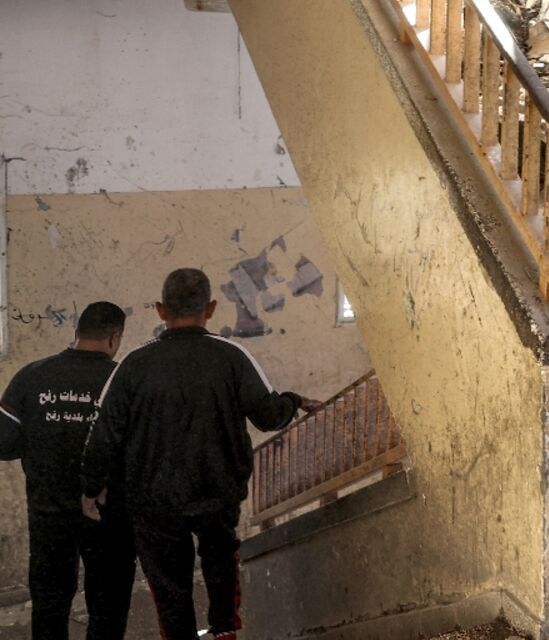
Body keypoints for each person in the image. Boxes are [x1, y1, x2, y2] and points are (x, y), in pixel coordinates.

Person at [81, 268, 320, 640]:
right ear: (210, 308)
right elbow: (269, 416)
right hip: (217, 492)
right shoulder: (231, 357)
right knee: (222, 565)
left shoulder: (133, 365)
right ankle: (224, 630)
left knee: (170, 587)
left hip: (154, 501)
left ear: (161, 310)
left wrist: (90, 488)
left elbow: (104, 436)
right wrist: (295, 401)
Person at [0, 302, 136, 640]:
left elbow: (2, 442)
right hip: (109, 514)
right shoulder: (123, 381)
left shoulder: (33, 376)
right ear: (114, 337)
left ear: (76, 333)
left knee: (49, 604)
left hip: (48, 511)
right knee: (108, 606)